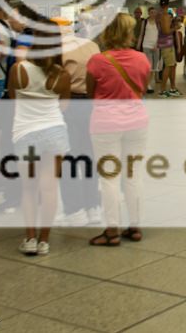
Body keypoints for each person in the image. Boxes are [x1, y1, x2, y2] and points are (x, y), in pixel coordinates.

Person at [85, 13, 150, 247]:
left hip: (106, 123)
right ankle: (135, 226)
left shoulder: (97, 61)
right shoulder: (142, 59)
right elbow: (142, 88)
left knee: (109, 178)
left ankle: (112, 230)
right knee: (133, 175)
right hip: (137, 122)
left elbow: (90, 92)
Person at [8, 18, 72, 256]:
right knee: (49, 189)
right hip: (54, 131)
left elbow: (12, 99)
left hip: (25, 133)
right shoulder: (62, 74)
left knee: (29, 189)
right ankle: (44, 241)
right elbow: (64, 106)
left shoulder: (18, 69)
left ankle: (30, 238)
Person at [59, 23, 102, 227]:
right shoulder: (91, 45)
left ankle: (74, 210)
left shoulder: (57, 49)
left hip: (68, 104)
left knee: (68, 158)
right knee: (89, 156)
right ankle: (93, 206)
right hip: (91, 103)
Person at [155, 0, 180, 98]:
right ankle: (162, 90)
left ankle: (173, 88)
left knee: (173, 65)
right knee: (169, 66)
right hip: (166, 44)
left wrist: (172, 23)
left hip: (165, 43)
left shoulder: (159, 15)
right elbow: (166, 31)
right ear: (168, 4)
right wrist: (175, 28)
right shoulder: (164, 15)